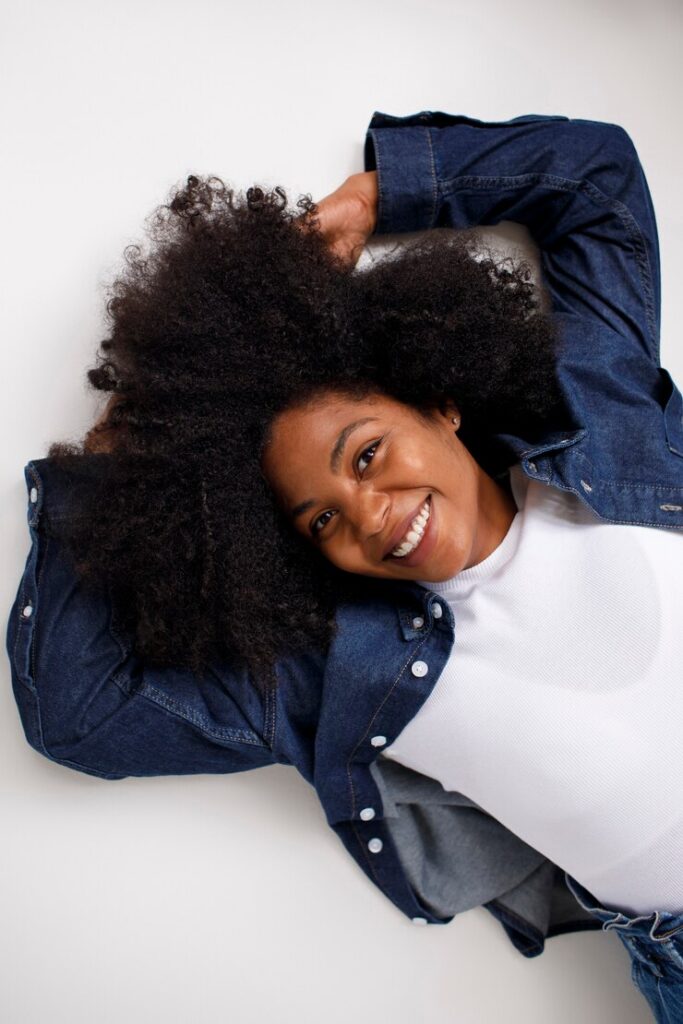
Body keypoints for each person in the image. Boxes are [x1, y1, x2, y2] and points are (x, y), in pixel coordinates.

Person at [7, 110, 683, 1021]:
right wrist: (136, 423)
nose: (367, 516)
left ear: (440, 403)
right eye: (320, 517)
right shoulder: (345, 669)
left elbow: (593, 180)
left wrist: (368, 202)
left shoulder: (603, 424)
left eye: (365, 455)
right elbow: (76, 714)